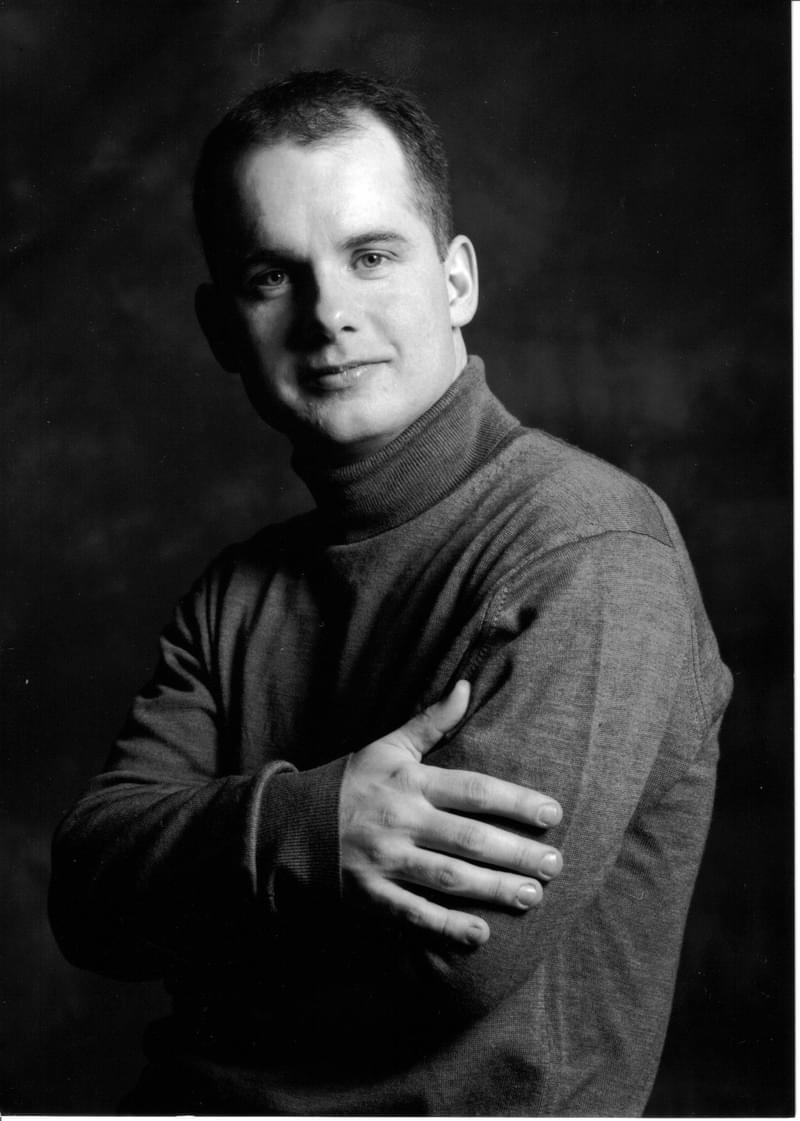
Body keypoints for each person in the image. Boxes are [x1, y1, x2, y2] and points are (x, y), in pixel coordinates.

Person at [49, 69, 732, 1115]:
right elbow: (86, 892)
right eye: (271, 276)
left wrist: (199, 914)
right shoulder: (234, 593)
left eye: (371, 256)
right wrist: (316, 829)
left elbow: (457, 960)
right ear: (221, 328)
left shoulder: (589, 548)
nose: (328, 314)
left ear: (455, 281)